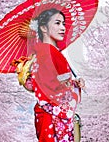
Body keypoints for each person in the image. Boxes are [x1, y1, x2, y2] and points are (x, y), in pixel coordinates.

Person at [27, 8, 85, 142]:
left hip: (49, 114)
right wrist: (71, 85)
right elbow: (52, 85)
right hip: (52, 115)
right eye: (57, 23)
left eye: (63, 24)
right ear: (43, 28)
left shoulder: (46, 52)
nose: (63, 28)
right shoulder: (47, 53)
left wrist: (73, 83)